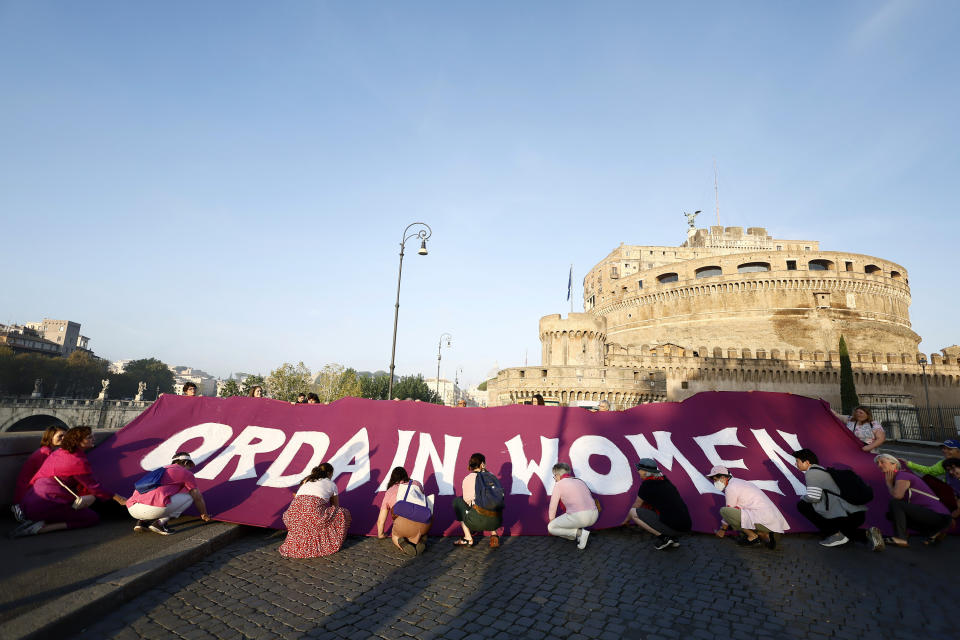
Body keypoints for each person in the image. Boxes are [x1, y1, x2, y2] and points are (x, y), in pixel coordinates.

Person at [11, 427, 127, 537]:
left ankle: (42, 520)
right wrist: (119, 498)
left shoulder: (59, 453)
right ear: (78, 441)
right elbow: (94, 488)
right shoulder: (76, 461)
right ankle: (42, 528)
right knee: (91, 518)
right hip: (44, 505)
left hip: (29, 502)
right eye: (89, 437)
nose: (93, 439)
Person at [792, 448, 883, 550]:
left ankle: (834, 535)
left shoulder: (812, 473)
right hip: (856, 514)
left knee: (802, 505)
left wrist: (803, 497)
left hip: (845, 515)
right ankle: (867, 534)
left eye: (797, 461)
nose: (796, 464)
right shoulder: (822, 470)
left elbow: (814, 498)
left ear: (807, 462)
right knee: (845, 533)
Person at [125, 452, 212, 535]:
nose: (190, 468)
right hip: (151, 510)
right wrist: (204, 514)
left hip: (132, 509)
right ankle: (159, 523)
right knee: (189, 497)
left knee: (156, 495)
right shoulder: (186, 473)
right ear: (185, 462)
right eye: (189, 465)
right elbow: (197, 497)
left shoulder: (160, 470)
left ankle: (142, 522)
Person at [874, 453, 951, 547]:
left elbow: (897, 496)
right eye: (877, 463)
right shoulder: (898, 477)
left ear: (894, 464)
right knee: (891, 514)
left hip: (939, 515)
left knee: (895, 503)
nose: (879, 465)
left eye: (882, 462)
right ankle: (932, 532)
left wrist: (889, 483)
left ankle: (901, 538)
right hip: (935, 517)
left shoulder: (902, 475)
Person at [278, 462, 351, 558]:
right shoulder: (331, 484)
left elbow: (297, 497)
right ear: (329, 473)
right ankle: (328, 542)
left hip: (292, 518)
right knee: (342, 513)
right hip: (312, 519)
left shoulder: (306, 481)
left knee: (312, 516)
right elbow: (336, 506)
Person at [708, 465, 789, 549]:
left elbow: (729, 511)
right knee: (738, 514)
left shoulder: (731, 487)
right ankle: (764, 533)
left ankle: (753, 536)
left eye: (715, 480)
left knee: (724, 511)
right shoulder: (739, 482)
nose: (715, 483)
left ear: (722, 477)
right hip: (771, 518)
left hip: (764, 519)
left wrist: (722, 530)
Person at [622, 459, 691, 550]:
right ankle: (674, 538)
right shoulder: (665, 480)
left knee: (632, 512)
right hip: (686, 526)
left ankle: (665, 538)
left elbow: (636, 505)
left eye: (639, 469)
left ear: (646, 472)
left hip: (675, 527)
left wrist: (626, 521)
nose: (638, 471)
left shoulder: (647, 485)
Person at [376, 467, 432, 556]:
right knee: (418, 530)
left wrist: (381, 534)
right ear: (406, 475)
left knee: (395, 536)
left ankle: (403, 545)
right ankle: (421, 539)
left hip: (403, 524)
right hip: (424, 521)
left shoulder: (390, 491)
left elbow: (381, 521)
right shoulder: (416, 484)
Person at [452, 453, 503, 548]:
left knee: (458, 501)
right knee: (490, 502)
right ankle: (494, 534)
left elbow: (466, 501)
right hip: (497, 520)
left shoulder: (467, 479)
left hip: (477, 520)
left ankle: (468, 538)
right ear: (483, 464)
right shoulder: (492, 477)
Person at [13, 426, 67, 512]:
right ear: (50, 437)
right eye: (60, 436)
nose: (64, 438)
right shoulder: (46, 452)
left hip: (29, 492)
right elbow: (50, 476)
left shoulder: (46, 450)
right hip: (28, 494)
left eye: (65, 436)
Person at [547, 463, 599, 550]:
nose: (555, 479)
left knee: (551, 527)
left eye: (554, 476)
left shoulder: (559, 484)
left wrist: (551, 521)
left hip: (580, 517)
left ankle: (580, 533)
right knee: (569, 518)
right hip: (594, 515)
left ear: (558, 475)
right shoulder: (579, 480)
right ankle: (578, 535)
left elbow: (553, 506)